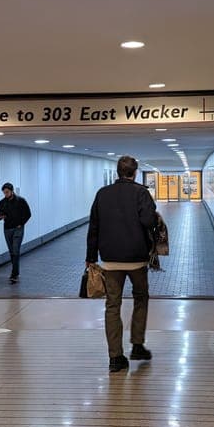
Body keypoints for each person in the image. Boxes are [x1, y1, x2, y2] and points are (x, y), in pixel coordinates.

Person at [86, 155, 157, 372]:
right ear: (134, 172)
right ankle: (137, 345)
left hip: (110, 260)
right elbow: (148, 220)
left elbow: (94, 227)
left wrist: (90, 257)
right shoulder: (141, 193)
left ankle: (115, 357)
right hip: (136, 259)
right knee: (141, 298)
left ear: (118, 172)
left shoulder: (102, 194)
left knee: (112, 306)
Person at [0, 182, 31, 283]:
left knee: (15, 250)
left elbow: (28, 214)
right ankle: (16, 271)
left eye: (7, 192)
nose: (5, 194)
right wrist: (0, 216)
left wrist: (21, 223)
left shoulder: (21, 201)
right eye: (4, 193)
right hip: (7, 229)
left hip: (18, 228)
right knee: (12, 252)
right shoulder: (2, 202)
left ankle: (14, 274)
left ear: (12, 191)